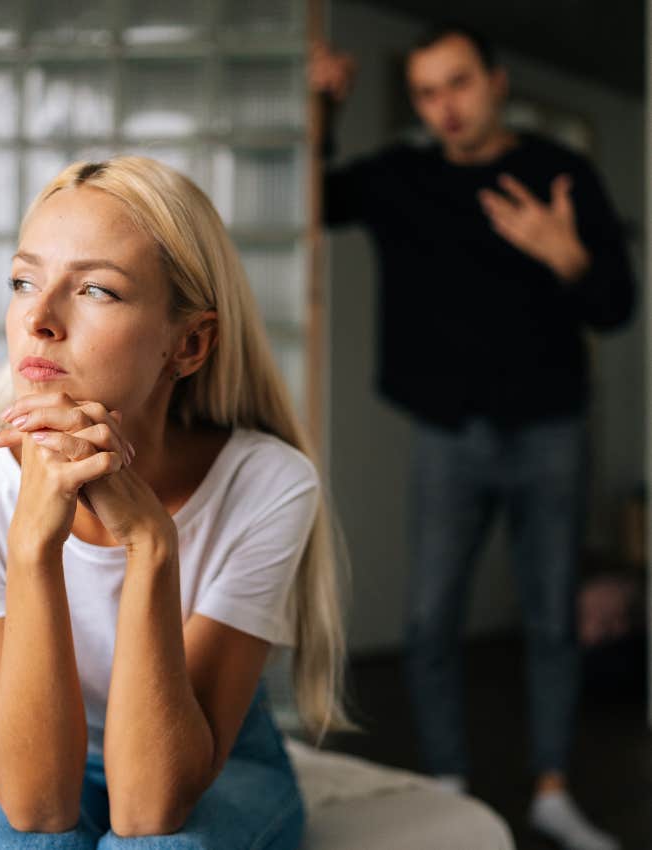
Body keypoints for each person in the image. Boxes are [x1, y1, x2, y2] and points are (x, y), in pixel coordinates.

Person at [0, 156, 352, 849]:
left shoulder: (268, 483)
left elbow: (150, 810)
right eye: (23, 281)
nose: (38, 319)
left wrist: (153, 546)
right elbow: (36, 804)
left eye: (95, 289)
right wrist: (34, 543)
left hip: (212, 758)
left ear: (188, 344)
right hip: (31, 751)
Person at [311, 23, 634, 850]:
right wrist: (321, 104)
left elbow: (618, 306)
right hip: (448, 435)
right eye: (426, 91)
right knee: (428, 621)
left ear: (496, 82)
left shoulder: (562, 174)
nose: (443, 107)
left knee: (553, 620)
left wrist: (567, 257)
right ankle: (450, 783)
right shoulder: (402, 178)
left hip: (553, 430)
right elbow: (313, 197)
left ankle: (553, 789)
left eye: (458, 83)